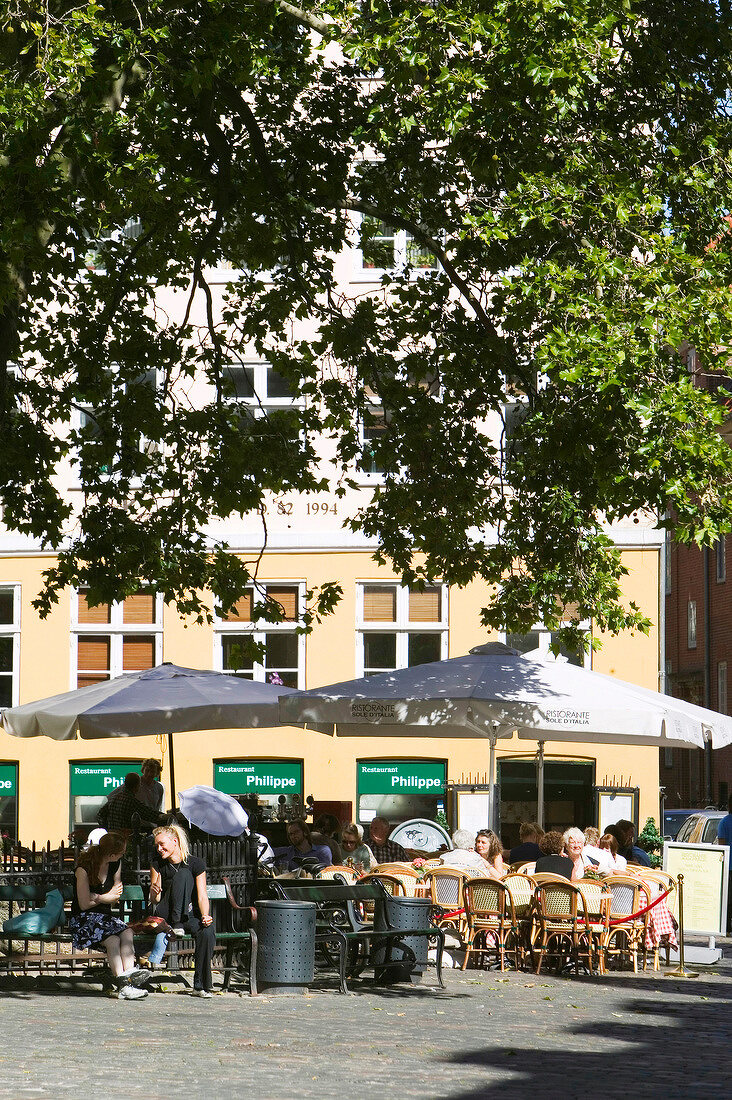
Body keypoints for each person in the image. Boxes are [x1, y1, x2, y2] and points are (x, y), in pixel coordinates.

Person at [69, 830, 150, 1000]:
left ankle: (129, 975)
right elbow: (84, 904)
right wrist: (104, 897)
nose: (123, 855)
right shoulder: (83, 870)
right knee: (113, 940)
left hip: (104, 918)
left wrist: (98, 898)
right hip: (84, 920)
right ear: (112, 854)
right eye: (121, 852)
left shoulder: (115, 864)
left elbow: (116, 894)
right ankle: (125, 986)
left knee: (127, 932)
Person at [148, 824, 216, 996]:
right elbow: (155, 901)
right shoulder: (157, 863)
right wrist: (154, 892)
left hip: (188, 915)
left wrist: (206, 915)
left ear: (175, 841)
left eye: (162, 844)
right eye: (156, 845)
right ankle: (176, 923)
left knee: (206, 931)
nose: (159, 848)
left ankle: (200, 985)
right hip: (166, 914)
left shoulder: (195, 863)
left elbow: (202, 895)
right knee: (184, 874)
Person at [100, 772, 167, 834]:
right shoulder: (131, 801)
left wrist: (109, 828)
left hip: (112, 835)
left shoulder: (113, 798)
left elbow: (100, 815)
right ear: (137, 786)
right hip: (125, 838)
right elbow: (148, 814)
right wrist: (165, 817)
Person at [716, 793, 732, 933]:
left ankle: (727, 927)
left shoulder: (725, 822)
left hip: (729, 866)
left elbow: (722, 845)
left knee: (727, 899)